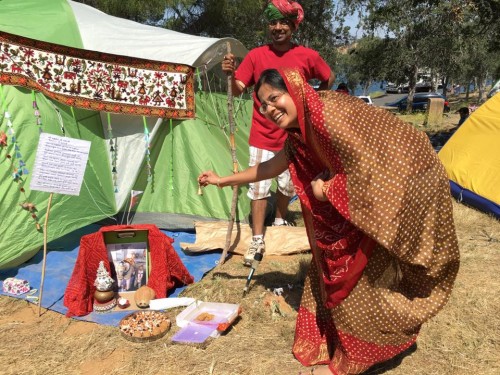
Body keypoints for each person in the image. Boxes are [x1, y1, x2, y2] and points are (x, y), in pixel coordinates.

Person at [199, 68, 460, 375]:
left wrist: (327, 189)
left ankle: (362, 357)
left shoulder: (328, 115)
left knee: (359, 281)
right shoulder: (299, 133)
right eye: (264, 106)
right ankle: (347, 344)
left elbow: (371, 167)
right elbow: (271, 166)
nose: (270, 110)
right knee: (333, 275)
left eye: (274, 98)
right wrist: (222, 180)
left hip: (400, 184)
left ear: (294, 88)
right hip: (352, 206)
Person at [222, 0, 335, 266]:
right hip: (262, 135)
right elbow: (238, 87)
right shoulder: (256, 56)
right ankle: (258, 237)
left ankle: (281, 218)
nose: (277, 27)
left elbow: (327, 77)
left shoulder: (307, 56)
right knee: (259, 188)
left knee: (287, 184)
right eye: (273, 22)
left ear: (293, 25)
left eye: (283, 22)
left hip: (295, 137)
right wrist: (228, 75)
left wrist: (317, 102)